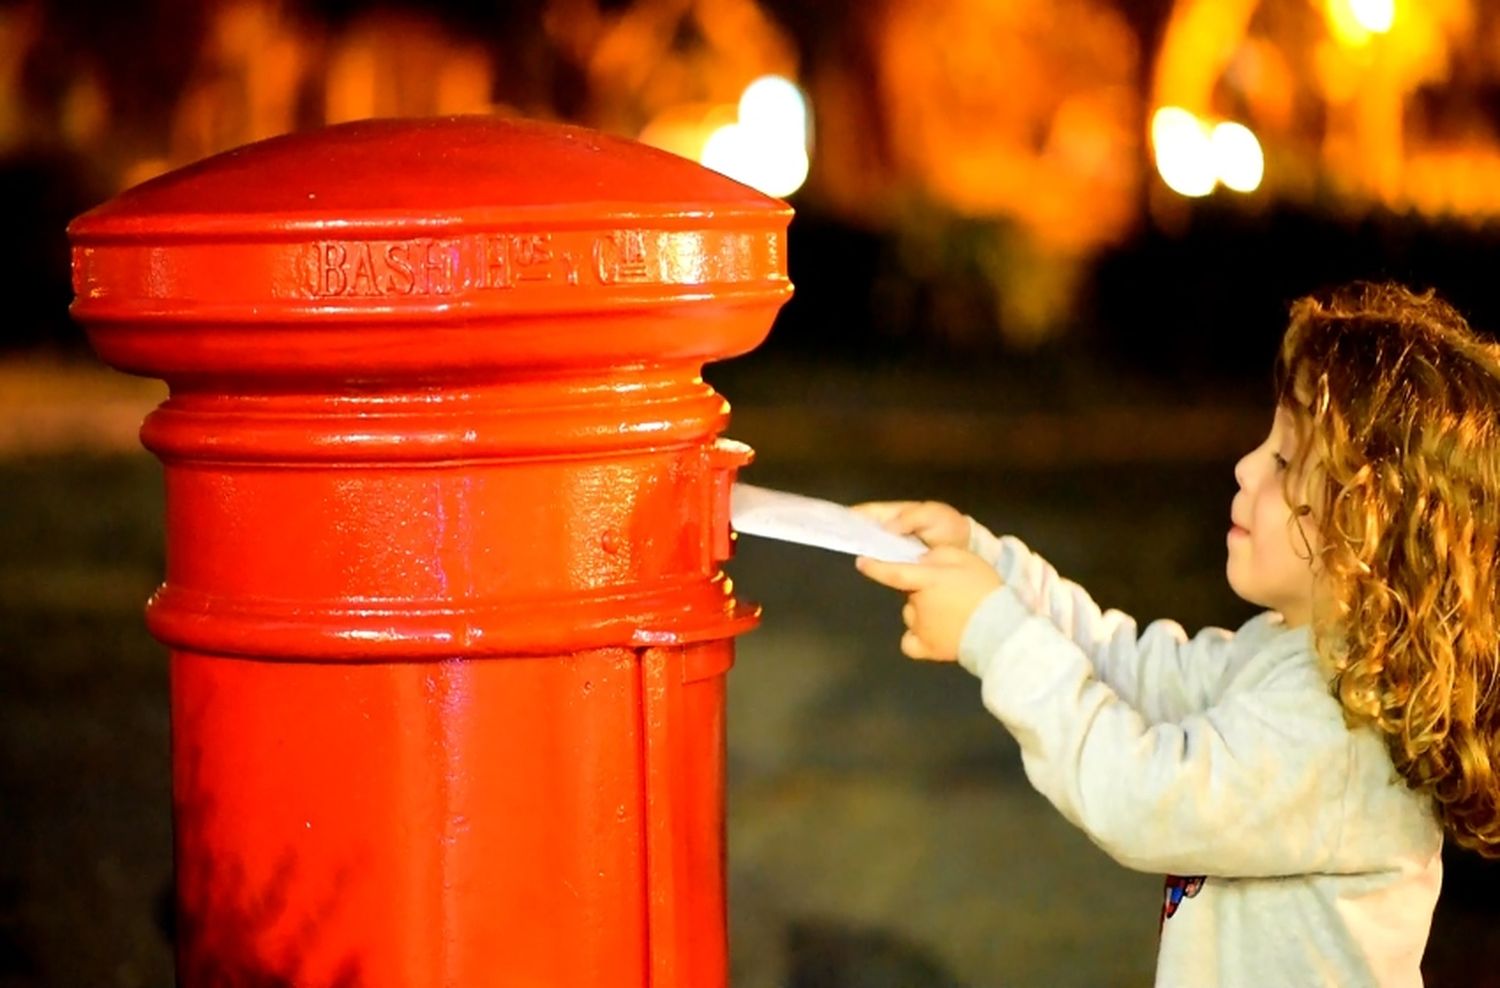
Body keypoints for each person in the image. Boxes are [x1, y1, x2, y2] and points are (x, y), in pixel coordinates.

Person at [853, 282, 1500, 987]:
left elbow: (1138, 795)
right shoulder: (1293, 656)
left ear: (1369, 533)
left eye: (1284, 464)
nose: (1246, 466)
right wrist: (990, 566)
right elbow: (1126, 665)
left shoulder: (1338, 736)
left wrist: (996, 634)